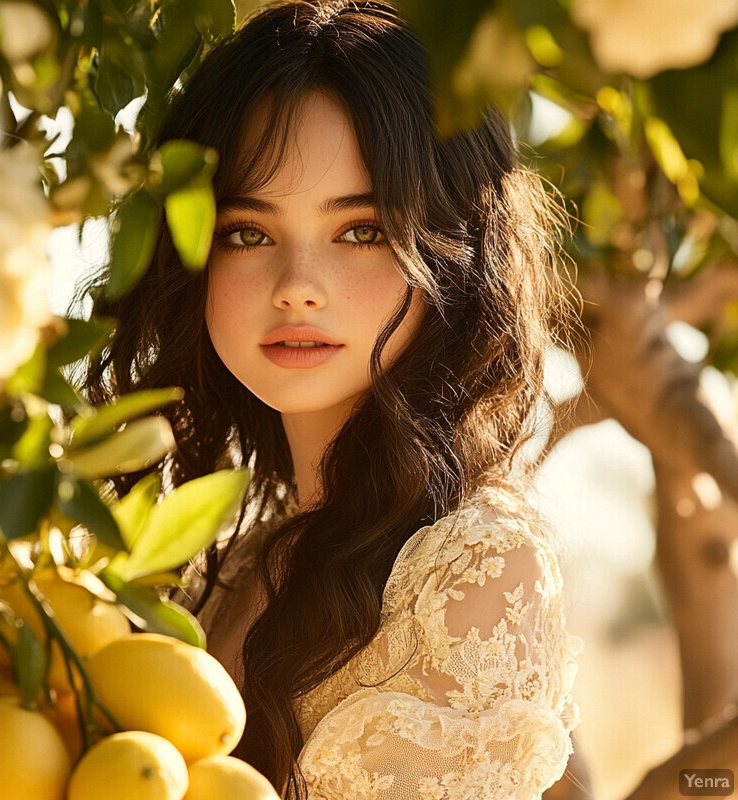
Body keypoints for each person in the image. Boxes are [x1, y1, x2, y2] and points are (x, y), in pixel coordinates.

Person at [83, 1, 583, 797]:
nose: (298, 290)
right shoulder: (234, 557)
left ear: (453, 255)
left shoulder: (476, 570)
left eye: (360, 230)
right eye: (248, 231)